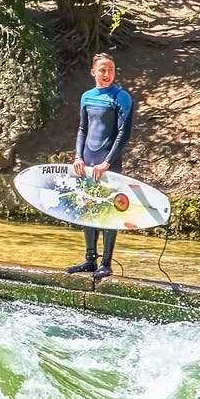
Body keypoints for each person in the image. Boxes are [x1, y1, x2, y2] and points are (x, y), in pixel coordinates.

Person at [68, 53, 135, 279]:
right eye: (103, 70)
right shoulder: (87, 97)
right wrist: (78, 157)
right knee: (87, 208)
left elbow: (123, 134)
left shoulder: (121, 97)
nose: (107, 74)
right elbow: (82, 130)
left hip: (109, 163)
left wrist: (107, 162)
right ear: (93, 72)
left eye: (111, 70)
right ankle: (89, 259)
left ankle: (105, 263)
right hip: (86, 162)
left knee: (109, 212)